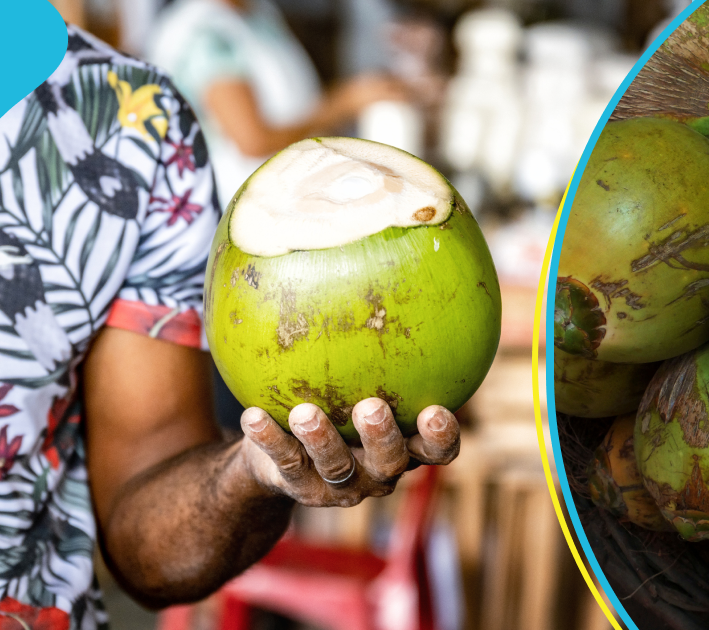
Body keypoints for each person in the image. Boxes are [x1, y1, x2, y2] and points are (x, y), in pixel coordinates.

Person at [0, 27, 458, 629]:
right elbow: (254, 133)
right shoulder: (202, 34)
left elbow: (149, 549)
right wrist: (348, 99)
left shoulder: (134, 122)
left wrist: (254, 473)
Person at [145, 0, 408, 208]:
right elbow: (253, 141)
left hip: (293, 191)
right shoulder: (204, 33)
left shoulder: (257, 10)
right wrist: (343, 104)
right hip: (242, 205)